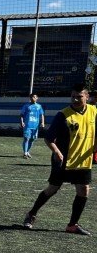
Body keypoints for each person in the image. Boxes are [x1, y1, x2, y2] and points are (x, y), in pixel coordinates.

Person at [22, 83, 96, 236]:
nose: (75, 99)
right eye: (73, 96)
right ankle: (31, 214)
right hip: (63, 160)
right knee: (52, 189)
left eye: (79, 97)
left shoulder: (94, 112)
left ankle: (72, 225)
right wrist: (56, 151)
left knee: (83, 191)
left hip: (83, 160)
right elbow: (49, 138)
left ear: (87, 97)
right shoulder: (63, 115)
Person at [19, 93, 45, 159]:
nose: (32, 98)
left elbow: (41, 114)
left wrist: (42, 122)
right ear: (30, 98)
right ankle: (25, 153)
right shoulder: (26, 106)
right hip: (27, 125)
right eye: (31, 97)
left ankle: (27, 152)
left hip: (35, 126)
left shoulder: (39, 106)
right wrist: (22, 122)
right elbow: (22, 114)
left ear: (37, 98)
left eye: (34, 97)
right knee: (26, 138)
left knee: (32, 139)